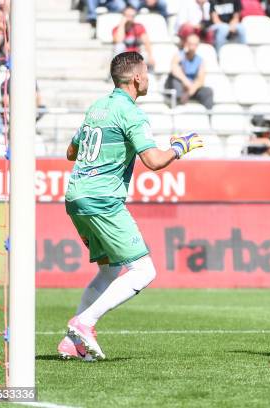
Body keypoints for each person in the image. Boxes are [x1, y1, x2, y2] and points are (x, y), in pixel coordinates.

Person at [57, 52, 204, 361]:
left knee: (110, 270)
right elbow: (153, 161)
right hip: (102, 199)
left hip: (76, 197)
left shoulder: (97, 108)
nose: (148, 78)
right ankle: (84, 323)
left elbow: (72, 152)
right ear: (137, 78)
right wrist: (181, 146)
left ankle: (72, 343)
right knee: (144, 270)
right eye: (147, 73)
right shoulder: (131, 113)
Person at [164, 33, 214, 109]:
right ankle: (178, 103)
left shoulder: (200, 60)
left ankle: (209, 115)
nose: (192, 47)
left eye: (195, 44)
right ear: (186, 43)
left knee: (208, 91)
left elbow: (200, 80)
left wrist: (189, 92)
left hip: (191, 89)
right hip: (180, 86)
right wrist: (186, 82)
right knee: (175, 79)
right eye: (190, 44)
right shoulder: (179, 56)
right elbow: (174, 69)